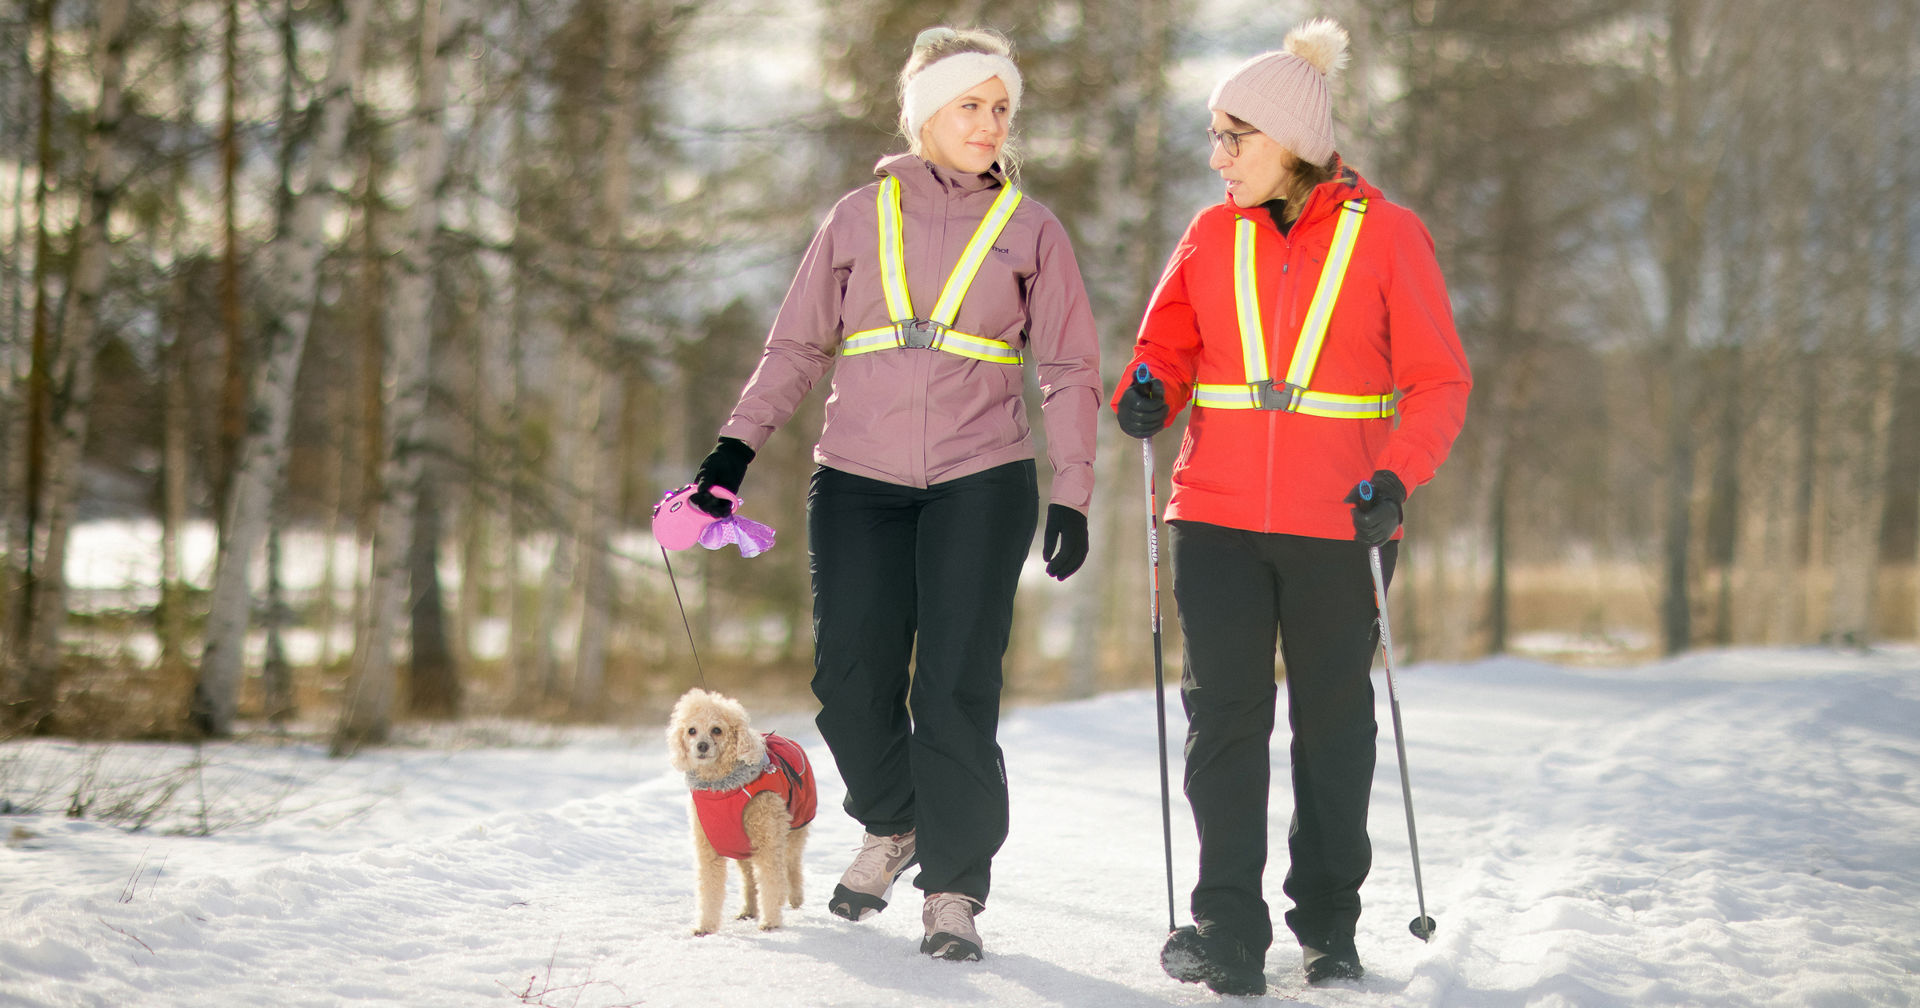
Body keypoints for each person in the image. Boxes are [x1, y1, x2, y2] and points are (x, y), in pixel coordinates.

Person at [685, 26, 1100, 963]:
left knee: (956, 687)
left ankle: (953, 890)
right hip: (858, 476)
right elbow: (794, 348)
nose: (992, 123)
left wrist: (1071, 491)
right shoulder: (855, 216)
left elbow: (1071, 369)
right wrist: (730, 455)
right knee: (849, 676)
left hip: (982, 477)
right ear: (924, 113)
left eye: (1002, 108)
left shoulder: (1031, 229)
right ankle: (898, 820)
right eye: (971, 105)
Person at [1110, 17, 1471, 996]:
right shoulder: (1207, 234)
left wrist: (1395, 475)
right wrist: (1147, 389)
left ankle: (1329, 923)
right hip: (1216, 514)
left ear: (1294, 144)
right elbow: (1164, 350)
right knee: (1223, 718)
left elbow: (1440, 382)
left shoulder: (1388, 236)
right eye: (1215, 137)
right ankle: (1225, 926)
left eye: (1237, 137)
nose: (1218, 157)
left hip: (1341, 521)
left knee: (1334, 725)